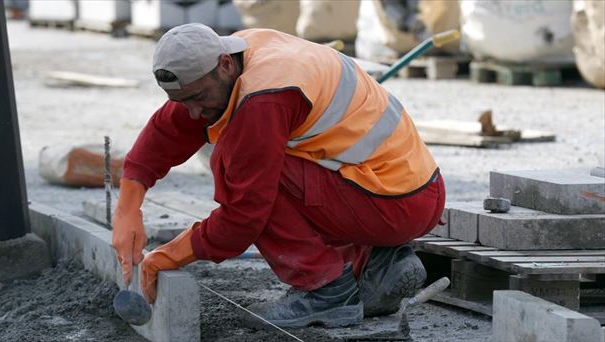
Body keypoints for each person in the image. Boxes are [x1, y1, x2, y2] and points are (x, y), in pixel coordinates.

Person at [112, 23, 445, 329]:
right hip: (399, 189)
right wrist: (128, 207)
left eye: (198, 98)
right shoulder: (239, 55)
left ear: (226, 65)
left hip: (395, 204)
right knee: (261, 156)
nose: (194, 112)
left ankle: (327, 291)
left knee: (245, 168)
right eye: (182, 101)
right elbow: (171, 127)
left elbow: (242, 220)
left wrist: (167, 256)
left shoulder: (263, 98)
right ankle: (377, 263)